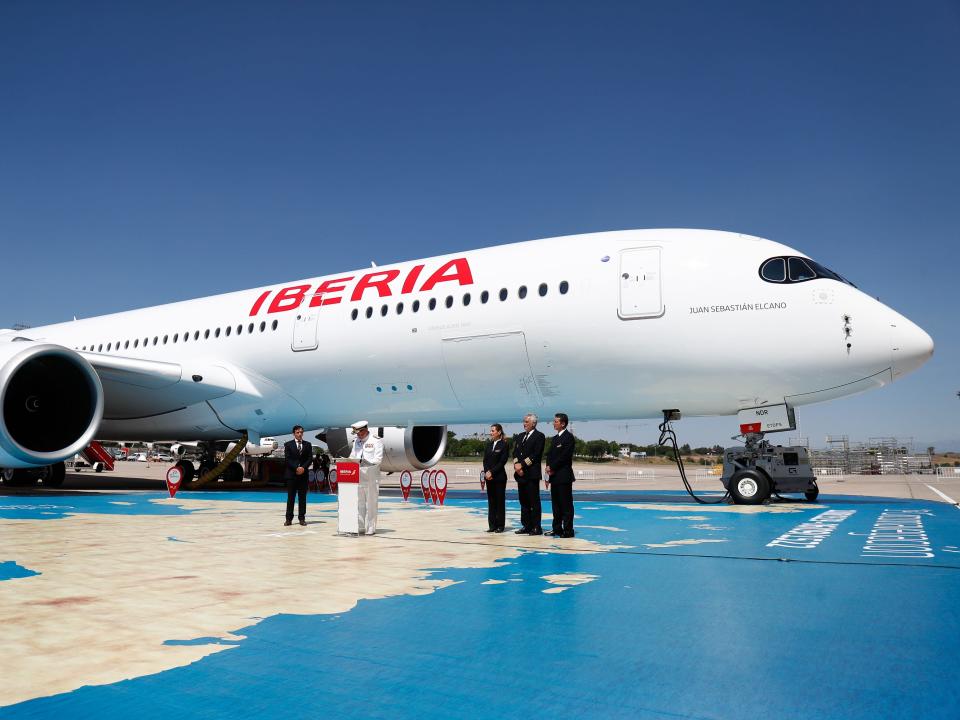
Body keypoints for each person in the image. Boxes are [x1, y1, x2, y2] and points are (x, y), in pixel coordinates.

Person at [349, 420, 384, 535]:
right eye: (357, 434)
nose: (358, 435)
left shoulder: (376, 441)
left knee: (371, 503)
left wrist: (365, 462)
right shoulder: (356, 442)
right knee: (360, 503)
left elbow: (378, 460)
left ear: (365, 430)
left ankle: (371, 527)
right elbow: (353, 456)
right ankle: (360, 526)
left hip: (371, 477)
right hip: (358, 476)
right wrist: (347, 460)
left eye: (359, 433)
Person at [512, 412, 545, 535]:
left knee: (534, 501)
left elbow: (536, 455)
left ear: (533, 423)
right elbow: (515, 453)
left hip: (531, 474)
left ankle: (536, 527)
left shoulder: (539, 436)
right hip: (520, 474)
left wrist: (522, 465)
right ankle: (526, 525)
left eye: (526, 421)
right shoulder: (520, 436)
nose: (524, 424)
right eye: (524, 421)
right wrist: (516, 465)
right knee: (523, 501)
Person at [545, 412, 576, 537]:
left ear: (563, 424)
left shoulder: (568, 438)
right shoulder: (555, 438)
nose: (554, 423)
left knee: (566, 505)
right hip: (554, 476)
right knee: (556, 505)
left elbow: (564, 457)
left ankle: (568, 530)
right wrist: (548, 468)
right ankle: (557, 528)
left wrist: (552, 467)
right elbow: (550, 455)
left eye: (556, 421)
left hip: (563, 476)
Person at [483, 423, 509, 532]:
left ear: (499, 432)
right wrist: (487, 472)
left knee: (499, 502)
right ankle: (492, 525)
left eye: (493, 431)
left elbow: (502, 461)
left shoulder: (504, 445)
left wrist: (491, 472)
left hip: (499, 477)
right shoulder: (489, 445)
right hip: (489, 478)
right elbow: (485, 460)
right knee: (491, 502)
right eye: (491, 430)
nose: (491, 433)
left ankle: (500, 525)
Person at [283, 425, 312, 526]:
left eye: (301, 432)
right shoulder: (288, 445)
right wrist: (296, 468)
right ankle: (288, 519)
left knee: (302, 498)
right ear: (294, 433)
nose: (300, 434)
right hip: (292, 475)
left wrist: (303, 468)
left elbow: (309, 459)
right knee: (291, 498)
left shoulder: (308, 445)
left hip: (303, 475)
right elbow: (287, 459)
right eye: (298, 432)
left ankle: (302, 518)